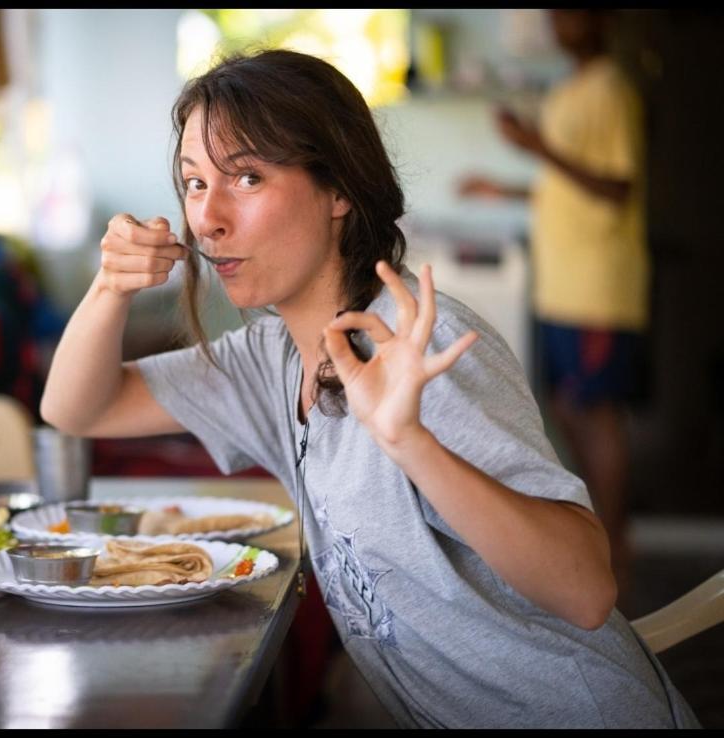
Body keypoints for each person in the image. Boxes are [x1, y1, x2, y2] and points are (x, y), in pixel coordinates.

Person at [40, 48, 698, 728]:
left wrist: (409, 441)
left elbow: (587, 589)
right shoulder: (272, 359)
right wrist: (110, 287)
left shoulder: (416, 346)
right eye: (194, 183)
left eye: (247, 177)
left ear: (338, 190)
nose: (207, 218)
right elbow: (76, 407)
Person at [459, 9, 647, 605]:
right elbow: (571, 185)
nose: (561, 24)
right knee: (569, 405)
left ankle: (614, 545)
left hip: (596, 283)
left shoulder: (612, 89)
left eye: (572, 14)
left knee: (595, 411)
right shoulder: (572, 87)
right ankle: (602, 533)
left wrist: (536, 143)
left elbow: (616, 186)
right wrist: (505, 186)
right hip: (563, 282)